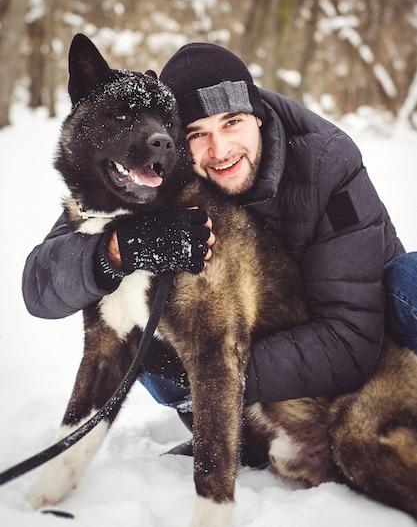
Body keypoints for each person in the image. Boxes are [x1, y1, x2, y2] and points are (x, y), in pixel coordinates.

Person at [22, 42, 417, 443]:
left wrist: (211, 369)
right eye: (197, 134)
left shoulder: (325, 162)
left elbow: (349, 339)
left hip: (370, 336)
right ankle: (252, 436)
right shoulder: (150, 176)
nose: (221, 149)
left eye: (233, 122)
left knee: (410, 280)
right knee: (143, 340)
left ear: (258, 117)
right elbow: (40, 285)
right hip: (239, 350)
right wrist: (114, 249)